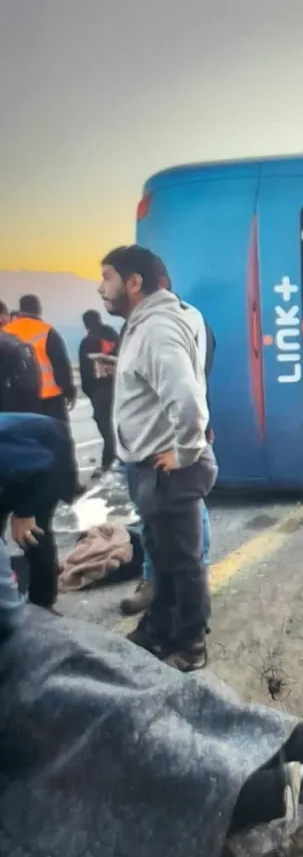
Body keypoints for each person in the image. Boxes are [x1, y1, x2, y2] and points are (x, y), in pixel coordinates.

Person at [0, 439, 303, 857]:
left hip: (20, 633)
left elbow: (34, 434)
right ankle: (252, 795)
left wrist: (25, 505)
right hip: (15, 657)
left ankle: (276, 746)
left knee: (137, 668)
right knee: (111, 716)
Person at [99, 244, 217, 671]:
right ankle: (159, 631)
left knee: (182, 564)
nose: (100, 288)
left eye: (107, 277)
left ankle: (189, 646)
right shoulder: (147, 323)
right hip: (153, 465)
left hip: (169, 467)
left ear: (135, 283)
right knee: (164, 556)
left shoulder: (156, 328)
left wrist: (186, 452)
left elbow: (187, 399)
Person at [119, 261, 216, 618]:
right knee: (155, 526)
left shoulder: (180, 324)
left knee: (184, 536)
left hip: (174, 442)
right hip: (149, 444)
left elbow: (194, 386)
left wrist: (193, 441)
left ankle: (187, 603)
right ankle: (162, 596)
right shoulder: (144, 328)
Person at [0, 412, 79, 611]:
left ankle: (43, 603)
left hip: (46, 459)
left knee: (32, 533)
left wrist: (25, 512)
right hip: (17, 468)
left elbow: (40, 468)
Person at [3, 294, 77, 421]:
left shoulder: (4, 332)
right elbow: (61, 365)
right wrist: (69, 391)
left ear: (20, 311)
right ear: (38, 310)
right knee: (56, 437)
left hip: (18, 400)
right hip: (49, 398)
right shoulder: (47, 331)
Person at [78, 309, 120, 479]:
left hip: (100, 392)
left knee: (106, 428)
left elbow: (85, 373)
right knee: (118, 426)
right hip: (118, 388)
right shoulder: (115, 337)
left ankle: (108, 462)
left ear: (86, 324)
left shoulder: (87, 342)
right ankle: (121, 459)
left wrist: (90, 393)